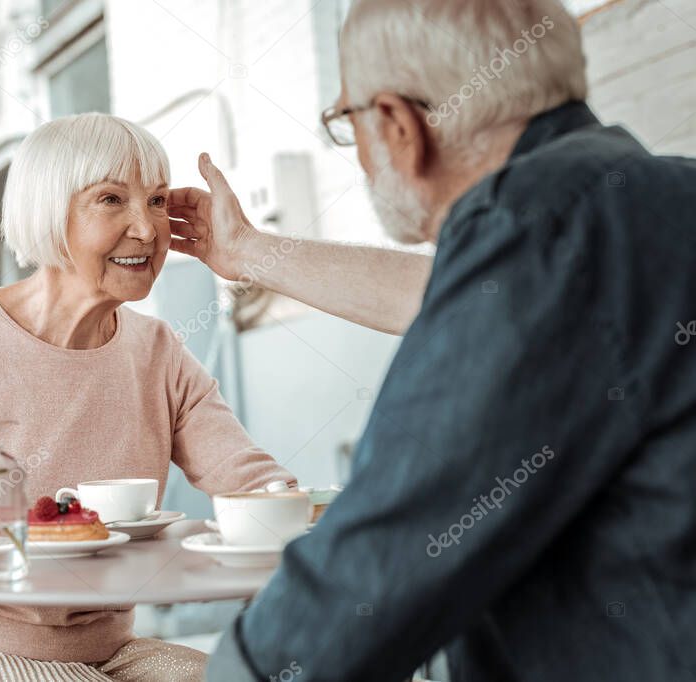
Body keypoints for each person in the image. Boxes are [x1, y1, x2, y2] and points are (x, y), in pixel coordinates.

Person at [170, 1, 696, 680]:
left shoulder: (530, 234)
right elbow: (439, 294)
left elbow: (376, 565)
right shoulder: (647, 200)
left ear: (397, 124)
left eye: (344, 122)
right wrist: (247, 251)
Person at [0, 112, 296, 681]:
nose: (147, 229)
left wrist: (327, 513)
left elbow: (254, 486)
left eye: (157, 201)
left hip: (108, 655)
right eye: (112, 199)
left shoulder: (158, 351)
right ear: (49, 212)